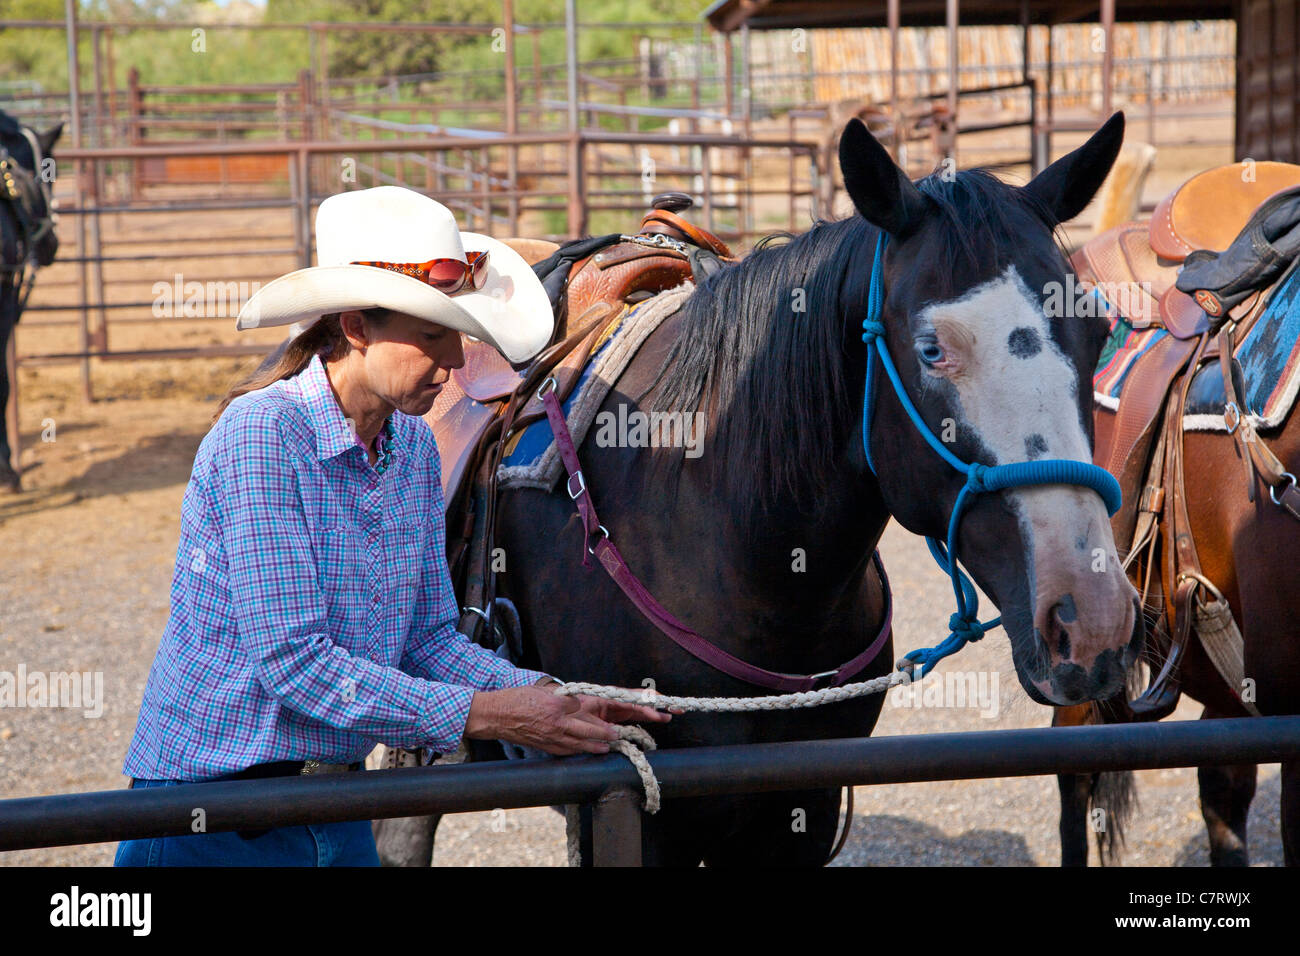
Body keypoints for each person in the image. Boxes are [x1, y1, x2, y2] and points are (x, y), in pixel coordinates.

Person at [114, 187, 667, 866]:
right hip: (214, 813)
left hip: (334, 805)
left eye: (459, 337)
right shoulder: (262, 435)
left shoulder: (407, 450)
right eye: (432, 336)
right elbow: (296, 664)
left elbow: (426, 637)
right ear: (355, 327)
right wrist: (490, 715)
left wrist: (550, 696)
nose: (458, 363)